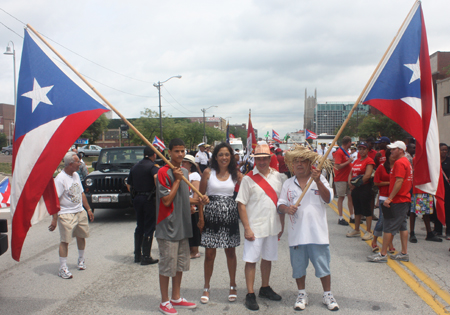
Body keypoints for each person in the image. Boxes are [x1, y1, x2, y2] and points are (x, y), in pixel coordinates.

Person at [277, 146, 339, 311]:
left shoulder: (320, 180)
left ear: (310, 163)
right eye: (296, 161)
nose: (299, 164)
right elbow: (280, 204)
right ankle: (302, 294)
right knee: (298, 268)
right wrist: (286, 209)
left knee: (323, 267)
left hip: (318, 235)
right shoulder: (288, 183)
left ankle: (328, 295)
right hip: (297, 236)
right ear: (292, 165)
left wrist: (318, 181)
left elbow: (328, 199)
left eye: (302, 161)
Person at [155, 138, 209, 315]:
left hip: (183, 225)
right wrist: (177, 180)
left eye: (182, 151)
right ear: (169, 152)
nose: (180, 154)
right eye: (176, 151)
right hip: (167, 226)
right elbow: (166, 200)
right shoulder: (163, 172)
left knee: (179, 265)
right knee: (166, 266)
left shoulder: (185, 172)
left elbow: (183, 200)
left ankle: (176, 297)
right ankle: (164, 301)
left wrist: (199, 200)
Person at [236, 141, 285, 311]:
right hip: (255, 227)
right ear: (254, 160)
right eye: (259, 159)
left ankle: (265, 288)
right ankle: (250, 294)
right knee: (251, 260)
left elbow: (281, 203)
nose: (262, 162)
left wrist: (282, 224)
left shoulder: (278, 176)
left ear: (270, 158)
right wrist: (247, 228)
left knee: (268, 258)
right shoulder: (248, 179)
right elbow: (241, 204)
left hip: (272, 226)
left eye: (265, 158)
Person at [197, 142, 243, 304]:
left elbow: (247, 193)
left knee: (230, 253)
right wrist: (201, 218)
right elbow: (200, 197)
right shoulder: (208, 173)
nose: (224, 157)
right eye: (221, 155)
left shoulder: (236, 174)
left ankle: (233, 285)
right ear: (215, 157)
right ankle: (206, 287)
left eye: (227, 154)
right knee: (210, 254)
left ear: (231, 157)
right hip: (211, 216)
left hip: (230, 215)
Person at [49, 152, 94, 279]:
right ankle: (63, 268)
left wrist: (88, 209)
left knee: (81, 236)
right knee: (65, 241)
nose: (80, 164)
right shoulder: (60, 179)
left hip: (79, 212)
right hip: (66, 214)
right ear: (70, 164)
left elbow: (81, 193)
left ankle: (81, 260)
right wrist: (54, 219)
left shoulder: (75, 175)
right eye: (78, 162)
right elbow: (55, 200)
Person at [368, 141, 412, 263]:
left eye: (393, 149)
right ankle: (404, 253)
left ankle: (382, 255)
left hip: (398, 200)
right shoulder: (406, 162)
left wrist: (390, 198)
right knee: (403, 226)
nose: (391, 151)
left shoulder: (399, 163)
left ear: (401, 150)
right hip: (404, 199)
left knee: (388, 226)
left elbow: (399, 181)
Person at [127, 146, 160, 265]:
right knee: (149, 227)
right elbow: (156, 177)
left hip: (137, 198)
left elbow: (128, 183)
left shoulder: (135, 166)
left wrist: (133, 194)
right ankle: (146, 256)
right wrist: (158, 190)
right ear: (154, 155)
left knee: (139, 226)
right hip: (149, 199)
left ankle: (137, 255)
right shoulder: (153, 167)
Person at [409, 155, 442, 243]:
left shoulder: (430, 157)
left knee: (426, 212)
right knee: (413, 210)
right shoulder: (418, 157)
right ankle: (412, 233)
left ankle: (429, 233)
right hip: (419, 187)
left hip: (428, 187)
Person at [346, 142, 375, 241]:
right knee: (357, 209)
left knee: (366, 210)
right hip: (355, 189)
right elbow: (351, 172)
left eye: (364, 149)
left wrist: (355, 184)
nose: (362, 151)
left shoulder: (369, 161)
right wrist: (350, 182)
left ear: (367, 150)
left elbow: (367, 175)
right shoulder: (357, 160)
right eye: (360, 149)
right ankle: (357, 229)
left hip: (364, 188)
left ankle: (368, 231)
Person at [372, 149, 395, 252]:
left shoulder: (398, 166)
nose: (394, 156)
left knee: (392, 221)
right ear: (388, 156)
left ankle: (390, 242)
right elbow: (376, 182)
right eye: (392, 154)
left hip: (396, 197)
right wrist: (389, 183)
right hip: (384, 197)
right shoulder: (381, 167)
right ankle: (374, 240)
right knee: (382, 220)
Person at [181, 154, 202, 259]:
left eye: (185, 161)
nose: (183, 163)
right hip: (182, 204)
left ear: (190, 164)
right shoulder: (180, 173)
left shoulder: (194, 175)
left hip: (191, 204)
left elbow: (196, 191)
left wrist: (193, 205)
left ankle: (195, 251)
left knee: (193, 228)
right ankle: (187, 249)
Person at [333, 136, 354, 226]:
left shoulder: (345, 152)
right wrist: (348, 162)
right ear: (348, 142)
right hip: (341, 179)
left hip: (348, 178)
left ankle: (352, 216)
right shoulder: (340, 152)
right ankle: (340, 217)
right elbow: (337, 166)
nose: (351, 144)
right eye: (351, 143)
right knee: (341, 197)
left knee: (350, 197)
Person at [434, 143, 450, 239]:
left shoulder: (449, 161)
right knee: (438, 208)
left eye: (446, 150)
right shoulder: (435, 161)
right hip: (437, 188)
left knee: (448, 209)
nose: (444, 152)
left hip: (447, 188)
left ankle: (448, 231)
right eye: (442, 150)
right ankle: (438, 229)